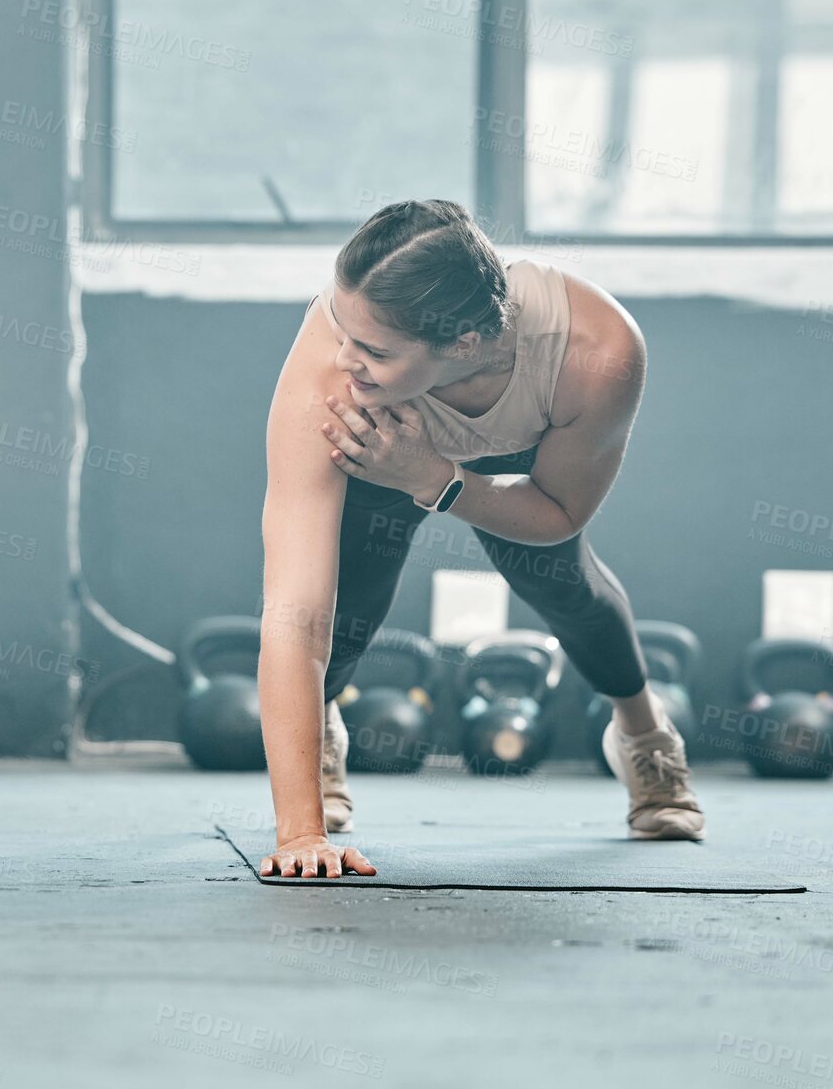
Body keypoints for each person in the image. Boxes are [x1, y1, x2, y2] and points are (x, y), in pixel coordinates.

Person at [256, 199, 705, 879]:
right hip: (378, 450)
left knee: (563, 585)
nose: (344, 357)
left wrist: (434, 476)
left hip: (512, 464)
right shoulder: (334, 371)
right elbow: (294, 613)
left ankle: (643, 733)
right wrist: (299, 836)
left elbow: (558, 514)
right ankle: (318, 736)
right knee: (346, 613)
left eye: (374, 349)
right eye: (338, 326)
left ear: (464, 344)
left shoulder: (596, 351)